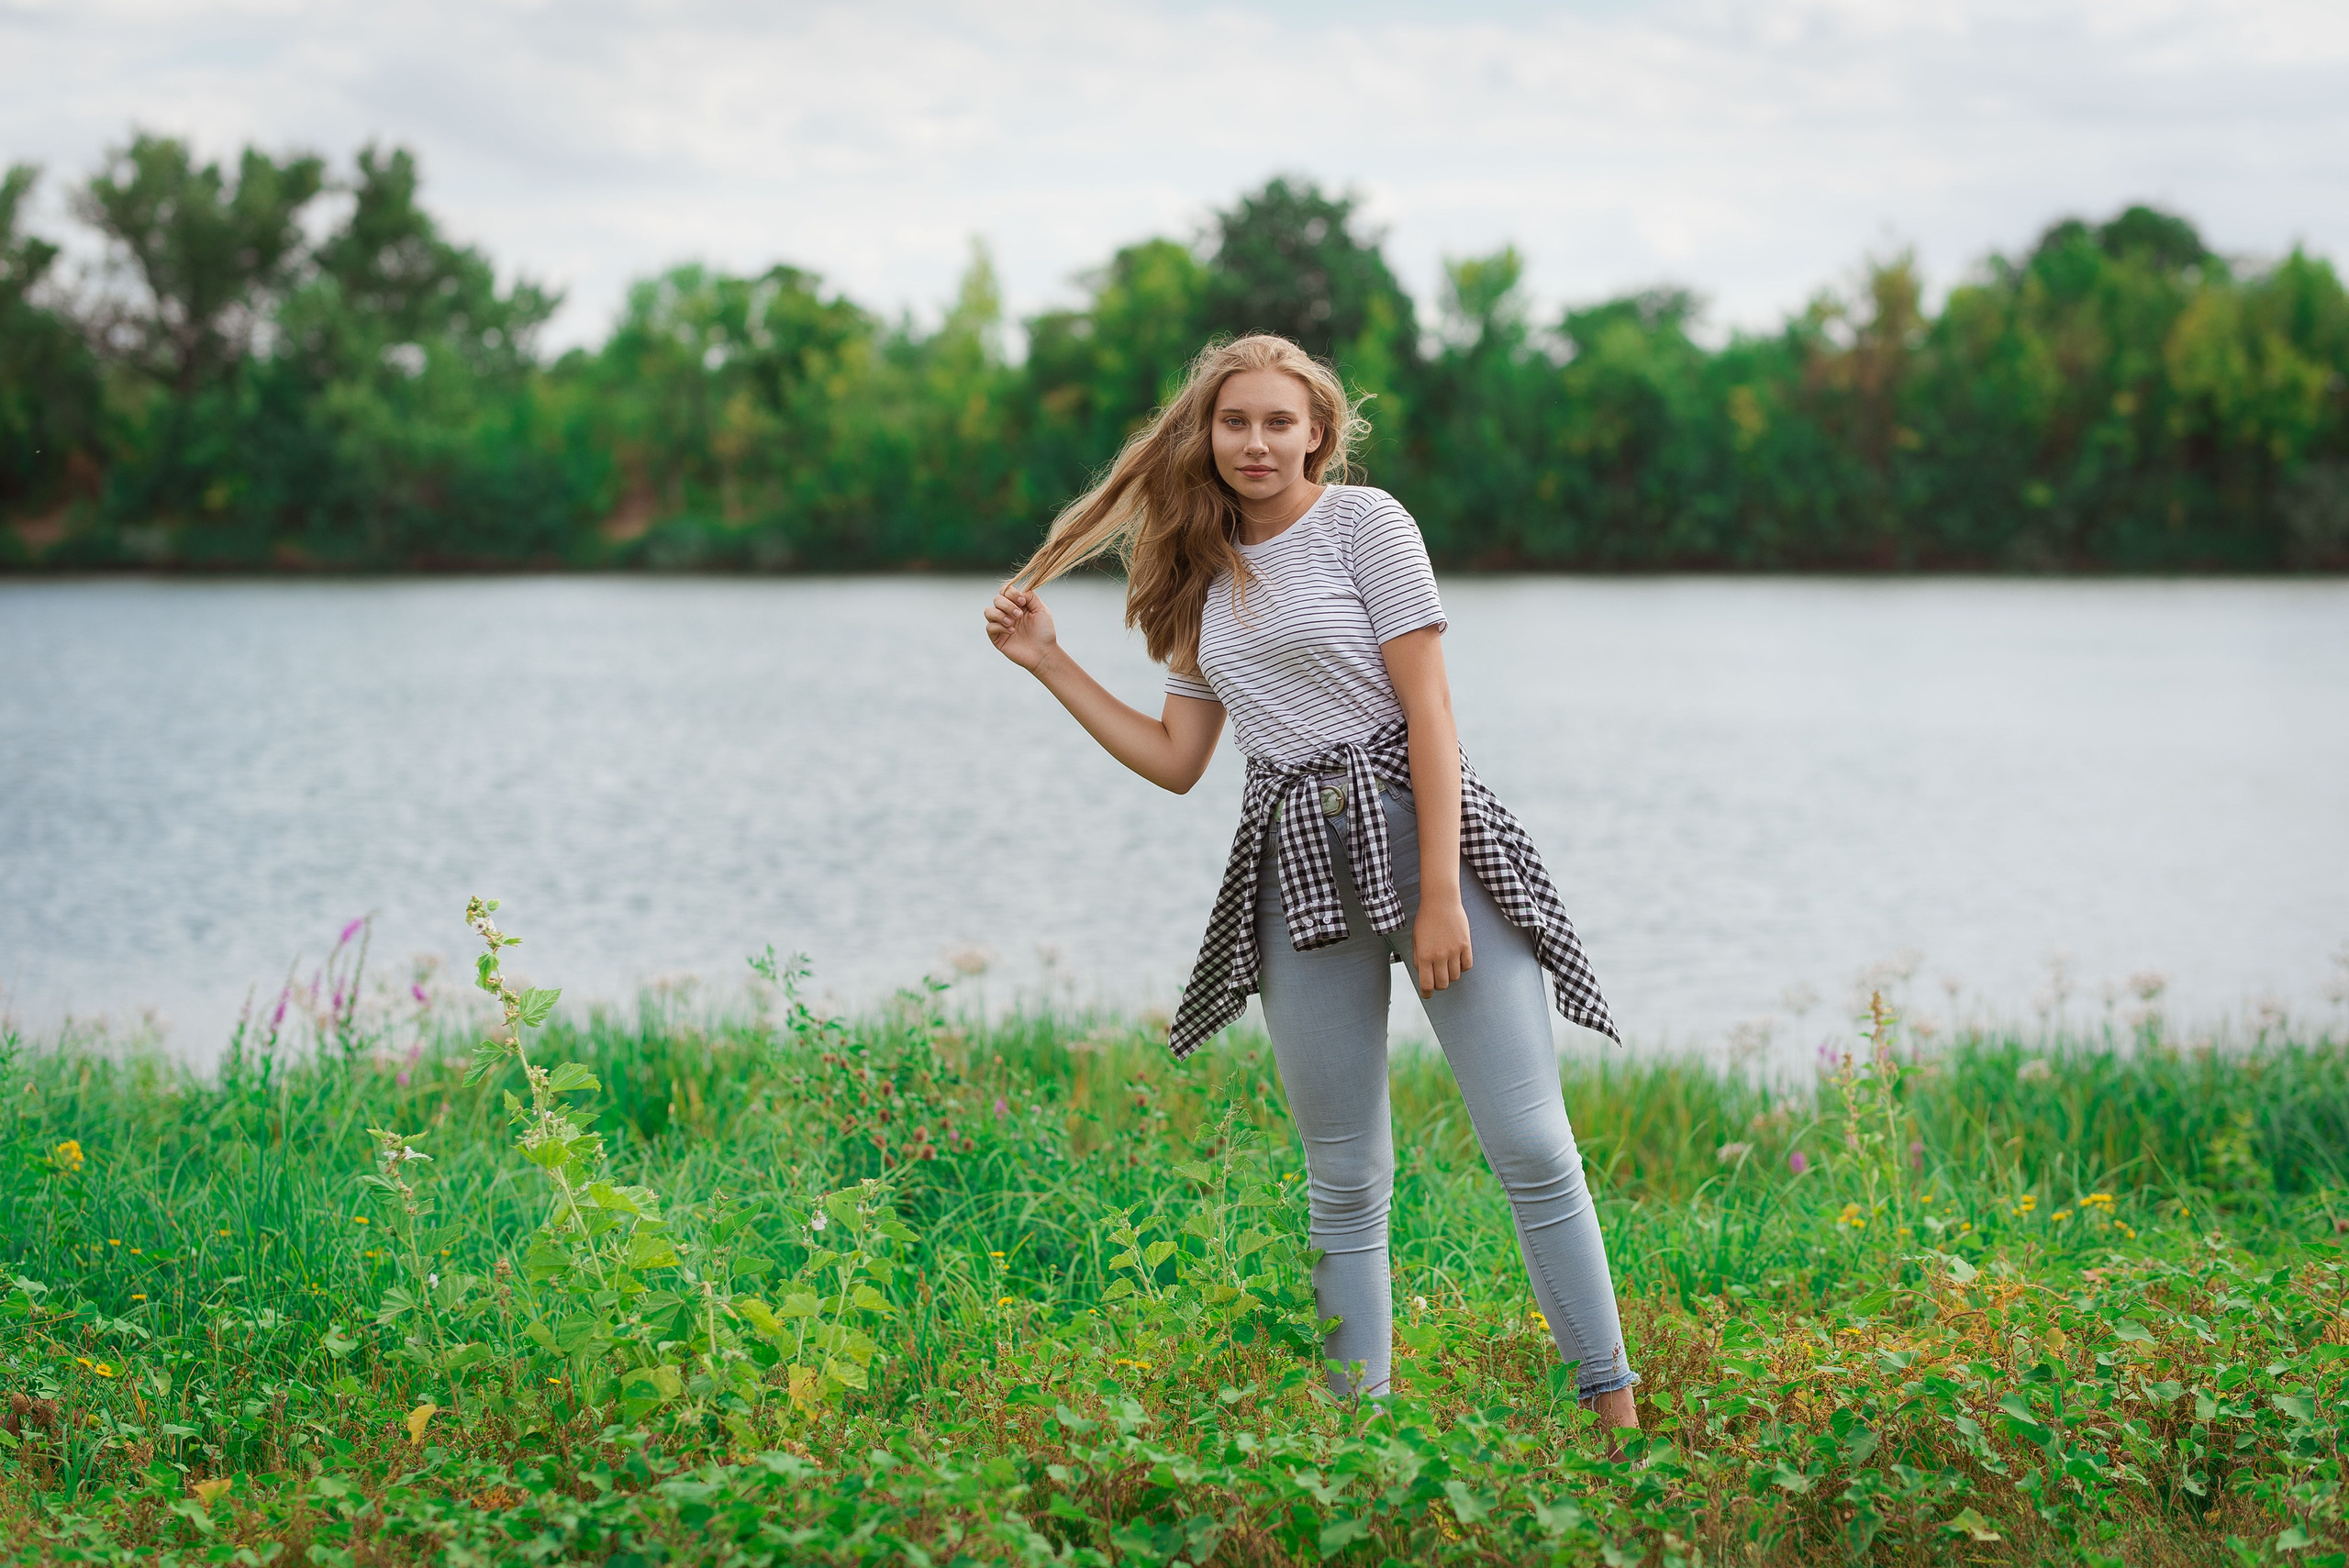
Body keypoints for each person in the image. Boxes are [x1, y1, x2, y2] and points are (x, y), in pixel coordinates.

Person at [982, 333, 1637, 1429]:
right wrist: (1051, 662)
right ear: (1207, 431)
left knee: (1527, 1141)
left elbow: (1429, 709)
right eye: (1234, 420)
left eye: (1279, 420)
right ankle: (1356, 1438)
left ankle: (1615, 1417)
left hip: (1422, 827)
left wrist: (1439, 889)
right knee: (1341, 1172)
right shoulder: (1197, 569)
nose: (1255, 440)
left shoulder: (1365, 526)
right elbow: (1178, 760)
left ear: (1319, 434)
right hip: (1290, 854)